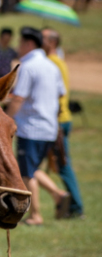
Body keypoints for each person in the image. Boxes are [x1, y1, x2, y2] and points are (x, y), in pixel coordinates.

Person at [6, 27, 66, 226]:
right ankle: (58, 194)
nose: (18, 47)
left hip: (30, 127)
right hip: (49, 127)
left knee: (26, 173)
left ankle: (35, 215)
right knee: (32, 167)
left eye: (20, 43)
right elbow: (60, 94)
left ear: (29, 44)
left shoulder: (27, 66)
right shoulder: (52, 66)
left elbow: (18, 98)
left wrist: (5, 121)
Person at [37, 28, 83, 218]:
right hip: (58, 121)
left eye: (43, 38)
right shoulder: (56, 62)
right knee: (34, 168)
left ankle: (75, 207)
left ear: (53, 43)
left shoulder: (52, 63)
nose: (40, 40)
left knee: (62, 166)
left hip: (57, 122)